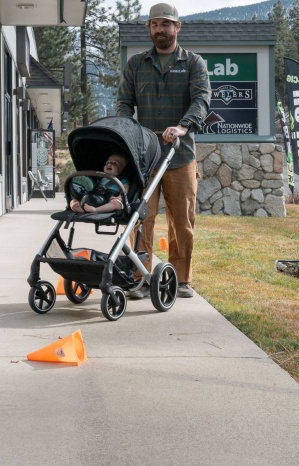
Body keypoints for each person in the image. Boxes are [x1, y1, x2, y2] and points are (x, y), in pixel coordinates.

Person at [115, 2, 210, 299]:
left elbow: (202, 100)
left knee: (181, 220)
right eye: (154, 24)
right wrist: (127, 130)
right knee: (142, 217)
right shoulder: (136, 64)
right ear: (149, 29)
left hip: (180, 156)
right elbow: (123, 103)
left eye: (166, 24)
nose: (160, 30)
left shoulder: (193, 63)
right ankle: (139, 276)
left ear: (177, 27)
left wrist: (182, 126)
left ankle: (180, 279)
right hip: (146, 156)